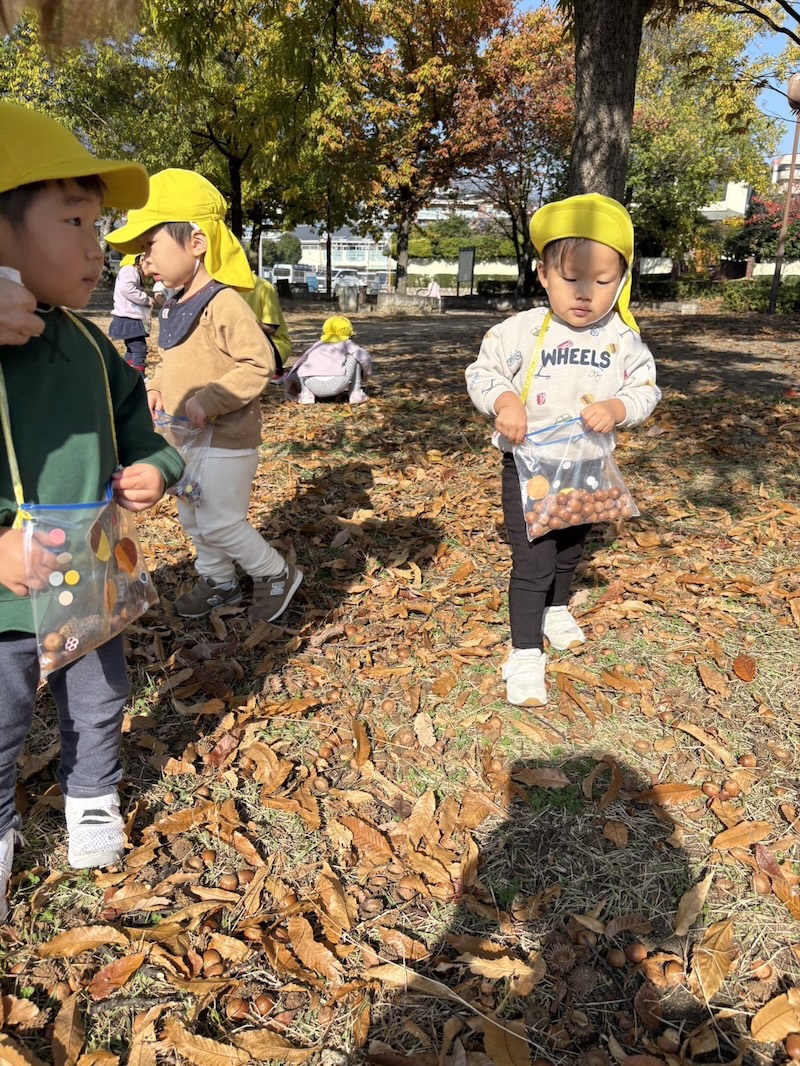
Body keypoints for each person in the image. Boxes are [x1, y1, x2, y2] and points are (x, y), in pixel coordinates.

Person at [0, 101, 185, 915]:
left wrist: (155, 467)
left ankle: (92, 796)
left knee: (98, 693)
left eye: (98, 224)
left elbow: (146, 431)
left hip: (93, 566)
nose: (96, 247)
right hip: (7, 581)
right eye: (73, 221)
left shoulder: (88, 344)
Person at [465, 193, 660, 708]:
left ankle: (555, 609)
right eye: (571, 278)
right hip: (528, 465)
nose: (585, 294)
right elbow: (482, 372)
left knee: (571, 546)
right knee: (532, 558)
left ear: (621, 281)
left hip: (588, 465)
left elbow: (646, 387)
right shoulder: (520, 331)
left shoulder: (622, 339)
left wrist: (620, 408)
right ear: (544, 273)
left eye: (602, 282)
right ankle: (526, 652)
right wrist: (504, 400)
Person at [106, 169, 304, 624]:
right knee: (194, 518)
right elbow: (172, 360)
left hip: (225, 438)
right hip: (183, 439)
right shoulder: (174, 304)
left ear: (196, 243)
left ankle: (274, 573)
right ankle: (219, 580)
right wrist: (156, 386)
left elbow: (259, 363)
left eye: (150, 247)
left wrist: (211, 398)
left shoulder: (224, 303)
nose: (145, 262)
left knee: (219, 519)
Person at [285, 315, 371, 405]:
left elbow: (298, 364)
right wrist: (366, 374)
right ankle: (356, 393)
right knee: (353, 357)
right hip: (337, 384)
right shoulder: (347, 343)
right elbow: (364, 358)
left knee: (305, 363)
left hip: (312, 385)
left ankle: (306, 394)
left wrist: (289, 381)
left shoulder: (317, 345)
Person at [241, 271, 291, 381]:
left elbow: (270, 328)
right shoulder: (223, 289)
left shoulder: (264, 287)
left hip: (271, 344)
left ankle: (273, 368)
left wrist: (245, 323)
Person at [108, 253, 154, 372]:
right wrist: (146, 299)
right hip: (129, 317)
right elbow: (126, 288)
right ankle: (139, 375)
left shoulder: (130, 272)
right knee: (139, 348)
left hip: (128, 317)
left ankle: (129, 373)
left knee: (132, 348)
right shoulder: (129, 270)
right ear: (141, 260)